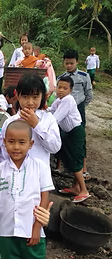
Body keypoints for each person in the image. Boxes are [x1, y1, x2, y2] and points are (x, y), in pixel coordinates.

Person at [0, 120, 54, 259]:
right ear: (4, 142)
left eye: (21, 142)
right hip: (7, 233)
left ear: (30, 144)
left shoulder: (40, 167)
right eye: (11, 142)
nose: (16, 147)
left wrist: (37, 228)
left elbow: (44, 197)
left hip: (32, 232)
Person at [1, 73, 61, 167]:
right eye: (25, 97)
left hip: (39, 177)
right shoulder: (10, 122)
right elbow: (4, 152)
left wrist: (37, 125)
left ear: (43, 96)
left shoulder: (48, 119)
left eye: (35, 97)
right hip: (16, 175)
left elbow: (55, 147)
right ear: (17, 95)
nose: (30, 102)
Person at [48, 76, 90, 203]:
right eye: (59, 87)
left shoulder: (68, 100)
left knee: (75, 160)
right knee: (71, 158)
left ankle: (84, 190)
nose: (60, 90)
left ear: (70, 90)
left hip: (75, 132)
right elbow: (51, 110)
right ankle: (76, 187)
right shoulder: (58, 100)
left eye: (64, 88)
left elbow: (56, 118)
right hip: (68, 133)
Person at [58, 49, 92, 179]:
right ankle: (60, 165)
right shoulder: (61, 78)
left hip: (78, 108)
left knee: (79, 138)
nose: (69, 66)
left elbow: (89, 95)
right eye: (66, 63)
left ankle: (83, 167)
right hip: (63, 111)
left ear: (77, 62)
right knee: (62, 135)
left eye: (71, 63)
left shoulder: (84, 76)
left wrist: (80, 107)